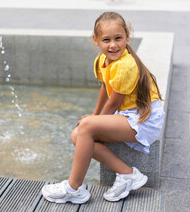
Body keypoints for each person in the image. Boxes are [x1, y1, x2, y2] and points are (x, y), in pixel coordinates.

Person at [41, 12, 165, 204]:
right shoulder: (102, 60)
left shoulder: (126, 65)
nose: (113, 45)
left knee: (87, 127)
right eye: (106, 40)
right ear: (96, 40)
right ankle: (127, 174)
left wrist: (94, 122)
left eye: (118, 38)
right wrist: (94, 115)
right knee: (78, 134)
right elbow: (106, 89)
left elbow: (114, 103)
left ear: (127, 37)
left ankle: (74, 188)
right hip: (127, 114)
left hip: (143, 118)